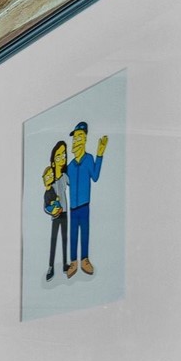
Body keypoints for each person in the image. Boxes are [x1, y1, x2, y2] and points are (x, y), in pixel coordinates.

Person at [63, 120, 109, 276]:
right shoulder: (69, 165)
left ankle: (84, 259)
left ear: (85, 139)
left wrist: (100, 154)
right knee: (73, 233)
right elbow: (65, 183)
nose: (76, 140)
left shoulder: (88, 159)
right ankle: (73, 262)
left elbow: (95, 176)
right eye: (74, 137)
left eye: (79, 136)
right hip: (72, 207)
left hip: (84, 205)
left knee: (85, 232)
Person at [41, 140, 70, 280]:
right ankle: (51, 266)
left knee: (65, 238)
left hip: (64, 213)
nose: (62, 158)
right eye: (59, 156)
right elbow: (45, 203)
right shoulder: (50, 182)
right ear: (53, 160)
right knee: (53, 239)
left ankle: (65, 264)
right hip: (55, 215)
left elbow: (72, 183)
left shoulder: (65, 177)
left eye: (64, 155)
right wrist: (51, 211)